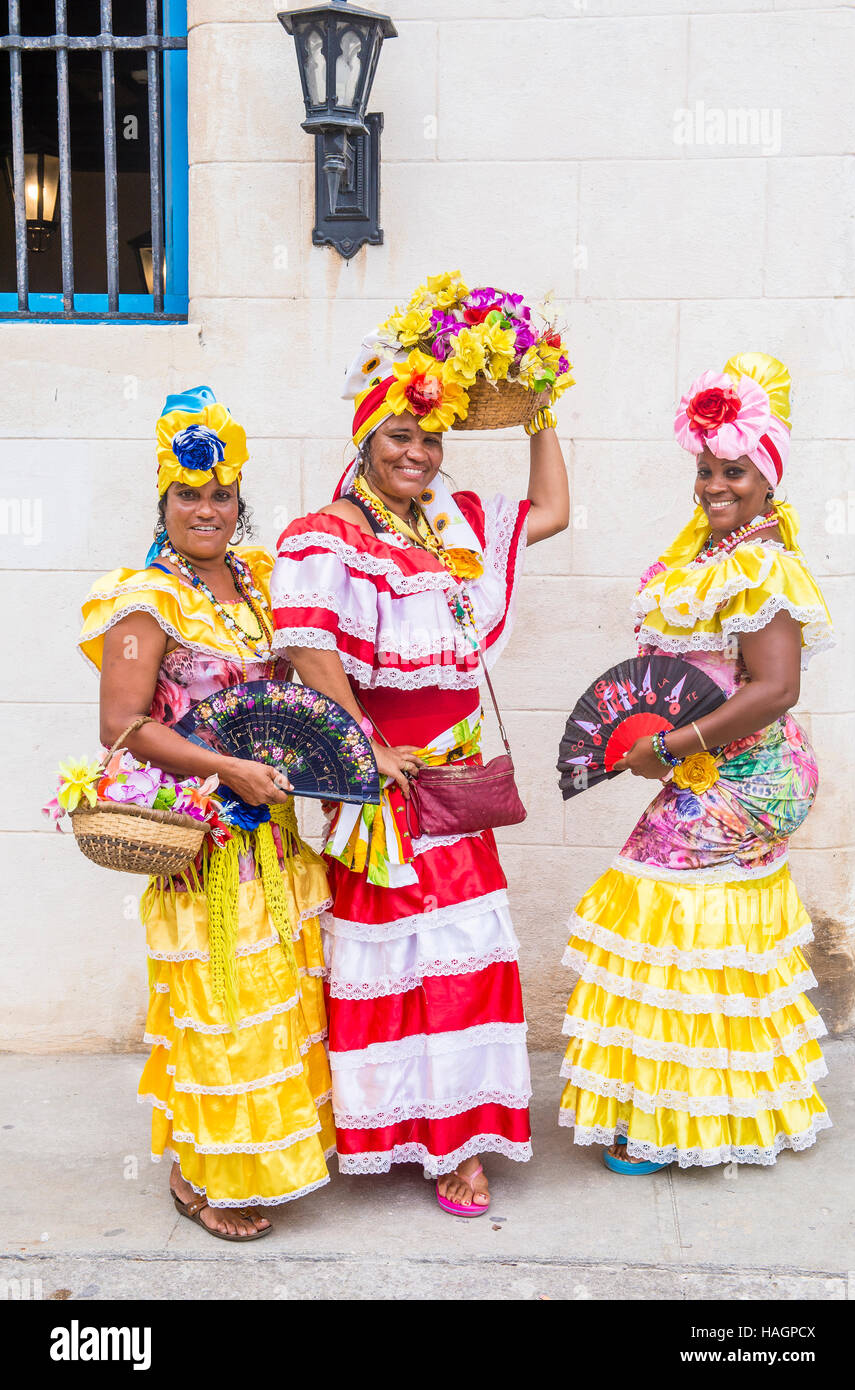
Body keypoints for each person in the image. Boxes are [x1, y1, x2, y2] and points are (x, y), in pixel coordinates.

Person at [270, 335, 570, 1212]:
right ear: (363, 441)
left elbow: (551, 507)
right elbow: (305, 641)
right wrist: (367, 743)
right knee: (398, 957)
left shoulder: (453, 524)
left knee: (461, 958)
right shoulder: (326, 534)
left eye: (430, 439)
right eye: (399, 435)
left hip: (456, 782)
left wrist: (539, 405)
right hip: (383, 786)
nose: (417, 453)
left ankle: (455, 1137)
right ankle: (404, 1132)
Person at [558, 352, 835, 1172]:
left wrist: (668, 745)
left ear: (767, 477)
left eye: (735, 470)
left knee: (659, 904)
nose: (715, 484)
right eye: (706, 469)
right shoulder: (714, 555)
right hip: (717, 770)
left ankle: (678, 1120)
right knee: (693, 920)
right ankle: (704, 1107)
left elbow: (775, 687)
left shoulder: (759, 564)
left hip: (749, 775)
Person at [78, 386, 334, 1238]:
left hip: (278, 835)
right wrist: (229, 765)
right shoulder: (144, 599)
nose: (206, 509)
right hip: (205, 840)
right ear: (164, 501)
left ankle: (264, 1152)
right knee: (222, 1003)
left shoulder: (260, 586)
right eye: (188, 494)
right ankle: (205, 1173)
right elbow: (123, 724)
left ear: (239, 502)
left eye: (220, 494)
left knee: (278, 995)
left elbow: (296, 682)